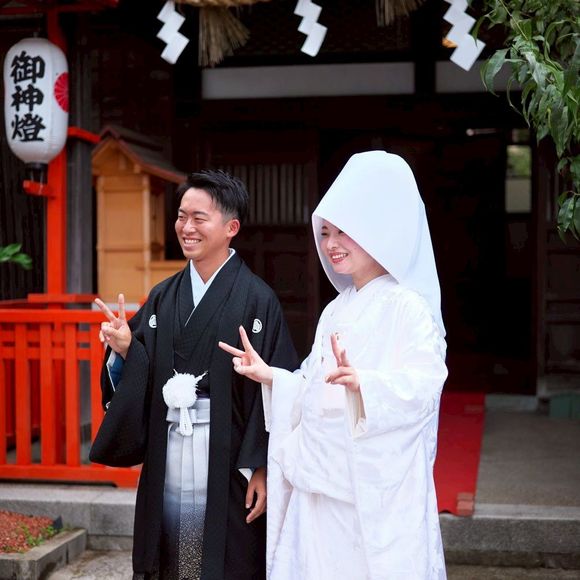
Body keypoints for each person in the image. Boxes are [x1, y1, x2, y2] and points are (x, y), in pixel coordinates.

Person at [220, 151, 448, 580]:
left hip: (371, 486)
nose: (331, 244)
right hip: (321, 476)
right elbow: (312, 381)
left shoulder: (408, 307)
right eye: (325, 232)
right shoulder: (336, 309)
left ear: (379, 231)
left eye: (345, 231)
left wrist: (366, 386)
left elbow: (424, 384)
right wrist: (273, 377)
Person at [89, 170, 298, 580]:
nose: (186, 227)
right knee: (167, 550)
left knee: (228, 556)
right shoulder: (164, 296)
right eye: (182, 216)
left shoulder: (258, 299)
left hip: (230, 459)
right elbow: (143, 371)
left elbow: (278, 384)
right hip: (168, 449)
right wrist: (126, 349)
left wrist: (262, 466)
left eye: (199, 218)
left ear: (231, 228)